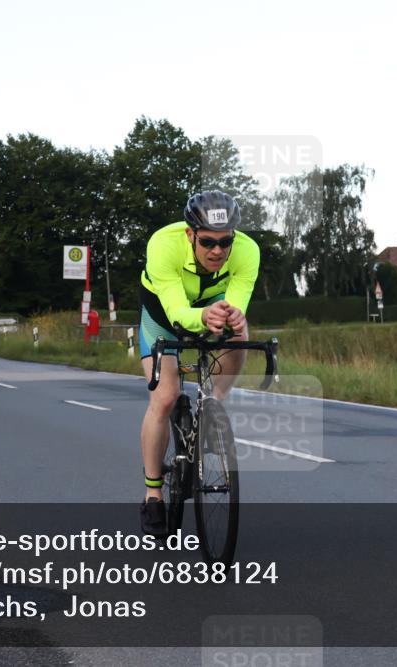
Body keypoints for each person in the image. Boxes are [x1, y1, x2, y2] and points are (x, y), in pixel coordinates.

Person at [137, 191, 260, 536]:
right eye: (208, 242)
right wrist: (203, 316)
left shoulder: (248, 251)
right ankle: (152, 494)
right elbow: (177, 312)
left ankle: (214, 405)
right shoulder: (164, 244)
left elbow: (236, 305)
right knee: (164, 397)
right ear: (190, 234)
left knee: (239, 328)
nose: (218, 251)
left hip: (211, 308)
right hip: (162, 314)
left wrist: (229, 318)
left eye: (225, 243)